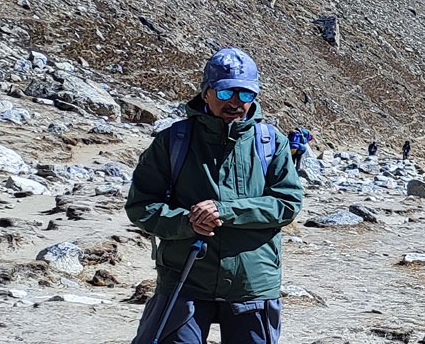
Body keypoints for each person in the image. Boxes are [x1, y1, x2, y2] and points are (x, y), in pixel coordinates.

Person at [124, 47, 303, 344]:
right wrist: (186, 222)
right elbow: (141, 205)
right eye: (225, 93)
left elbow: (287, 203)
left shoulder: (272, 143)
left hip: (252, 284)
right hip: (185, 279)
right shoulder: (173, 141)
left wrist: (225, 211)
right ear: (206, 93)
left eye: (245, 95)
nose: (235, 102)